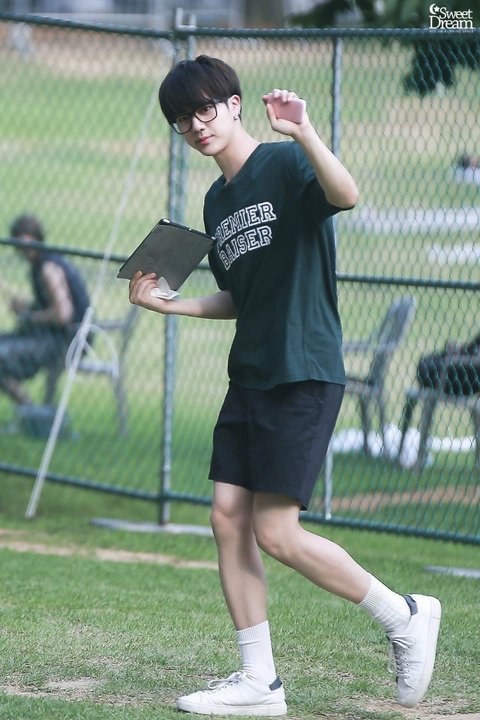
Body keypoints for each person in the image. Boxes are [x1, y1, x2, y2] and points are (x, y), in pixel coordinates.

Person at [128, 55, 442, 717]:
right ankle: (259, 682)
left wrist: (304, 132)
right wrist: (170, 306)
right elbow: (237, 298)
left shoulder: (284, 161)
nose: (196, 125)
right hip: (251, 373)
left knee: (276, 531)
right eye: (182, 119)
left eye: (205, 109)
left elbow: (345, 195)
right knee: (227, 518)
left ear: (234, 104)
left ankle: (405, 614)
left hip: (303, 369)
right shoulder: (216, 201)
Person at [0, 214, 90, 407]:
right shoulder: (42, 264)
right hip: (53, 336)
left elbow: (63, 313)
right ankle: (32, 413)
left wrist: (30, 317)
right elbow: (50, 307)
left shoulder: (48, 269)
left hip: (68, 340)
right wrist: (26, 308)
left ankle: (31, 412)